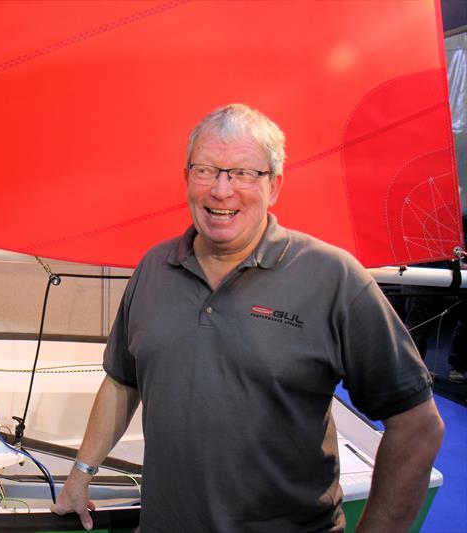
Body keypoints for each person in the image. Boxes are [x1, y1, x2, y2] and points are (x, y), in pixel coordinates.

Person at [51, 104, 444, 532]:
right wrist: (80, 474)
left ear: (274, 186)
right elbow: (122, 382)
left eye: (243, 173)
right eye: (206, 170)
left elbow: (417, 426)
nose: (221, 191)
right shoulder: (153, 268)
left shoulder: (334, 278)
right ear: (186, 178)